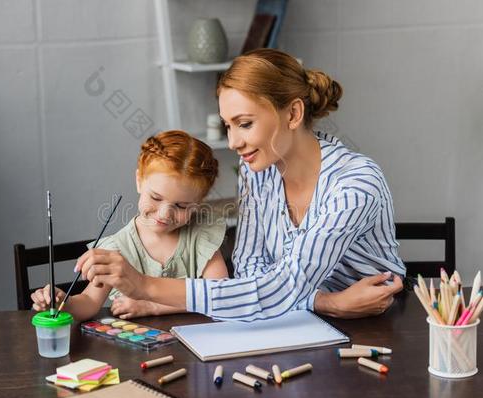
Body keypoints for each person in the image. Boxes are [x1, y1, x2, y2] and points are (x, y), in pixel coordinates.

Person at [74, 48, 405, 322]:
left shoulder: (355, 184)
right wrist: (327, 302)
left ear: (293, 114)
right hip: (291, 321)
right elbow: (249, 270)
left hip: (373, 328)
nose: (233, 142)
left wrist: (145, 286)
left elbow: (282, 287)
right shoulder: (258, 170)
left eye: (244, 124)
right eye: (227, 126)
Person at [31, 130, 229, 320]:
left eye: (182, 206)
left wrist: (153, 306)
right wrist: (62, 303)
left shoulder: (201, 234)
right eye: (155, 197)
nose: (164, 214)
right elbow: (89, 302)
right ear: (139, 181)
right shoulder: (116, 248)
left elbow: (219, 295)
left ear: (199, 202)